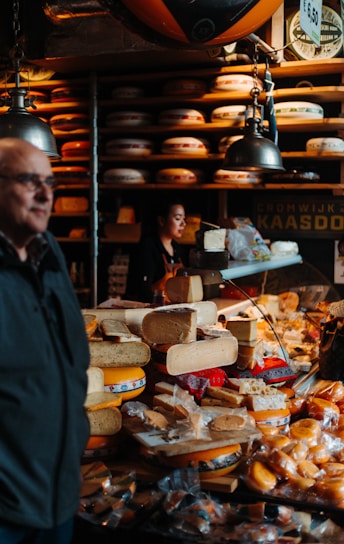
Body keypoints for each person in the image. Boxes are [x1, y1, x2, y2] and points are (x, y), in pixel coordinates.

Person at [0, 137, 90, 544]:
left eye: (50, 183)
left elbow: (70, 367)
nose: (44, 193)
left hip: (56, 495)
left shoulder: (48, 253)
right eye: (28, 180)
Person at [126, 200, 187, 303]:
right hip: (148, 308)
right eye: (178, 218)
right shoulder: (147, 247)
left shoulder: (178, 249)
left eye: (184, 219)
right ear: (162, 221)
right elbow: (142, 290)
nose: (183, 224)